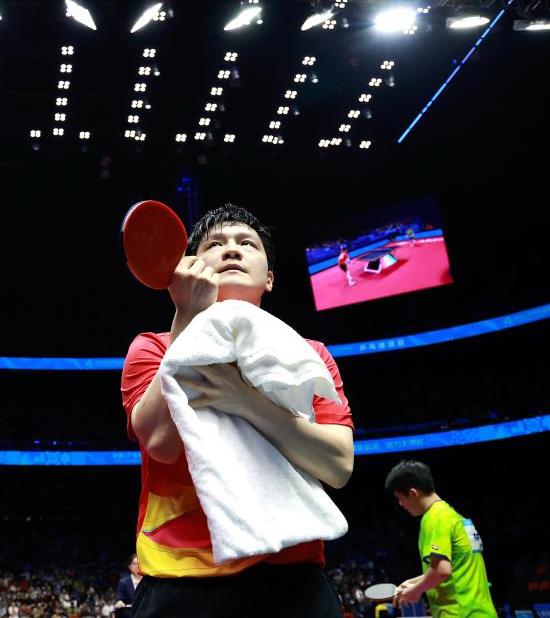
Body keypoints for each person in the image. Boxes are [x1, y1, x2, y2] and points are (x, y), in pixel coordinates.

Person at [121, 203, 354, 617]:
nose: (231, 249)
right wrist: (186, 315)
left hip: (291, 576)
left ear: (269, 278)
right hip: (181, 580)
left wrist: (245, 401)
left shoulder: (310, 356)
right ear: (190, 266)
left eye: (247, 243)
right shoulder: (153, 347)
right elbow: (159, 442)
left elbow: (338, 466)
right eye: (215, 244)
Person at [384, 460, 496, 616]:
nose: (401, 504)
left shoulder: (433, 518)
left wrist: (415, 591)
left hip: (459, 613)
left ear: (413, 493)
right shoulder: (454, 516)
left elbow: (442, 571)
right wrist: (413, 582)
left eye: (400, 498)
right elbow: (454, 569)